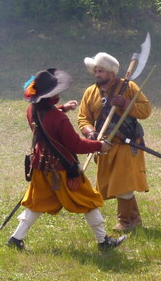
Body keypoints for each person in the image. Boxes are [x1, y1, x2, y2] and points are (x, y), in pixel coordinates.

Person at [7, 68, 127, 252]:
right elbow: (76, 145)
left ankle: (16, 239)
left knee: (36, 203)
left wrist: (63, 108)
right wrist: (99, 146)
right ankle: (104, 242)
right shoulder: (58, 119)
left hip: (40, 167)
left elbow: (46, 118)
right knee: (89, 201)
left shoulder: (31, 110)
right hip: (62, 170)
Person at [77, 52, 152, 232]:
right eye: (95, 71)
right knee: (113, 183)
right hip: (105, 145)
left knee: (122, 183)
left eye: (101, 71)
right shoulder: (90, 92)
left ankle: (124, 222)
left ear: (111, 73)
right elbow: (83, 118)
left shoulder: (129, 87)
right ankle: (135, 220)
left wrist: (125, 103)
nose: (97, 75)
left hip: (127, 144)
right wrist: (90, 132)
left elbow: (146, 110)